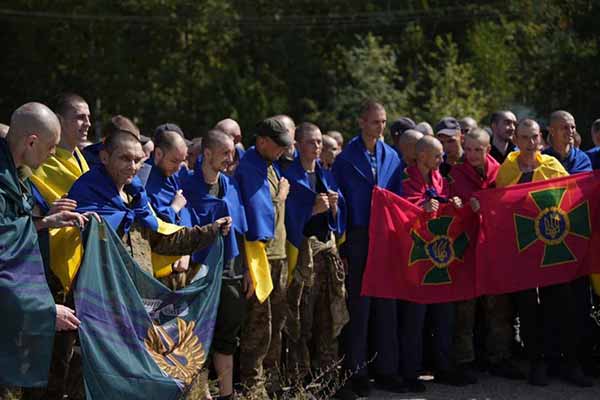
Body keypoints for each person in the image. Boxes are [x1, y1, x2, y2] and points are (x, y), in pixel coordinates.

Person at [0, 102, 88, 399]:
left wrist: (44, 222)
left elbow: (10, 229)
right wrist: (45, 310)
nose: (54, 154)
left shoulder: (14, 175)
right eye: (52, 147)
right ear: (32, 141)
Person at [496, 119, 592, 387]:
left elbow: (573, 198)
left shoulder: (552, 166)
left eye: (534, 137)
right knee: (527, 307)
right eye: (524, 138)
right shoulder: (507, 170)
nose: (529, 143)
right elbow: (499, 207)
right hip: (524, 248)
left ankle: (568, 362)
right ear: (516, 141)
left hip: (552, 247)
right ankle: (537, 363)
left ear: (541, 139)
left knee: (561, 304)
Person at [68, 130, 231, 278]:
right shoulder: (86, 194)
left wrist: (212, 229)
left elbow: (162, 238)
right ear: (104, 157)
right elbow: (74, 249)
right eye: (125, 158)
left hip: (138, 296)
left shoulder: (136, 197)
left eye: (137, 160)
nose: (132, 166)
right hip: (101, 297)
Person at [332, 100, 405, 397]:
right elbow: (342, 201)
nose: (380, 127)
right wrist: (344, 245)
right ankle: (357, 370)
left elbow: (399, 199)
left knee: (386, 305)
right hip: (360, 236)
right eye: (375, 122)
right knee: (359, 308)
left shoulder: (392, 156)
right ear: (361, 122)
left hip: (385, 237)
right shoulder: (345, 159)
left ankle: (387, 369)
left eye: (384, 122)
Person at [28, 93, 93, 400]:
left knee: (73, 361)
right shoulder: (41, 163)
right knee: (46, 364)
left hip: (81, 268)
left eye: (89, 118)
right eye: (80, 117)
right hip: (48, 269)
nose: (87, 124)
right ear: (60, 120)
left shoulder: (84, 160)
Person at [449, 129, 524, 382]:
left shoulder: (501, 172)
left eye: (477, 150)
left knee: (499, 307)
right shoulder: (456, 174)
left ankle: (499, 357)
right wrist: (461, 205)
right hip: (467, 250)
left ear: (488, 149)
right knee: (465, 309)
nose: (471, 155)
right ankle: (464, 361)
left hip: (494, 250)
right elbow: (452, 206)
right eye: (467, 149)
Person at [182, 129, 252, 400]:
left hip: (231, 271)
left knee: (228, 335)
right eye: (225, 153)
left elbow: (242, 229)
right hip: (198, 274)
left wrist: (246, 269)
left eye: (232, 153)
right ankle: (199, 394)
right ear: (207, 153)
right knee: (196, 336)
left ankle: (226, 393)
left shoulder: (231, 185)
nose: (229, 159)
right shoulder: (187, 185)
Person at [284, 123, 349, 389]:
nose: (317, 147)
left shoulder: (326, 175)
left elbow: (340, 217)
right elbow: (286, 221)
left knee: (330, 319)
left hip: (327, 257)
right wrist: (312, 211)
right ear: (297, 145)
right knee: (301, 322)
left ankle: (329, 380)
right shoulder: (289, 176)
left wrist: (334, 209)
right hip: (304, 260)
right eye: (311, 142)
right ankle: (299, 382)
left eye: (320, 142)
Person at [400, 136, 466, 392]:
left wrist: (454, 204)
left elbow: (446, 207)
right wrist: (422, 206)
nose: (442, 160)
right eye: (437, 156)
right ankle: (410, 372)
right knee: (415, 318)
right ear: (423, 156)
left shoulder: (442, 179)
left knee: (444, 315)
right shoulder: (406, 178)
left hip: (440, 256)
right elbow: (401, 209)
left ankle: (444, 367)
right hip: (417, 257)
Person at [235, 117, 292, 398]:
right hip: (260, 258)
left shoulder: (270, 163)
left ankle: (270, 382)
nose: (282, 151)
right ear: (262, 142)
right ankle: (252, 387)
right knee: (259, 326)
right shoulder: (249, 167)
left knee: (276, 323)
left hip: (276, 255)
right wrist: (280, 196)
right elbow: (253, 214)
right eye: (278, 145)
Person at [145, 128, 194, 289]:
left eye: (182, 161)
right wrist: (173, 208)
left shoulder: (172, 175)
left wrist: (186, 249)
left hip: (178, 265)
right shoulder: (143, 178)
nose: (178, 167)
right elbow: (151, 222)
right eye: (174, 161)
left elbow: (185, 207)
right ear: (158, 154)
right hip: (154, 271)